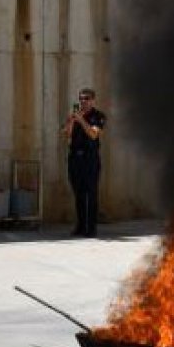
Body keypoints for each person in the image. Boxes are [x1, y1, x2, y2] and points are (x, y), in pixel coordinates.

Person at [62, 87, 106, 238]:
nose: (83, 101)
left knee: (91, 193)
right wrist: (71, 122)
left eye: (87, 98)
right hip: (75, 158)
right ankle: (80, 226)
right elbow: (66, 135)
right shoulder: (75, 116)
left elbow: (94, 134)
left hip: (90, 159)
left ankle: (91, 228)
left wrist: (82, 121)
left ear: (93, 100)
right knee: (78, 193)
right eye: (81, 98)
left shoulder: (98, 116)